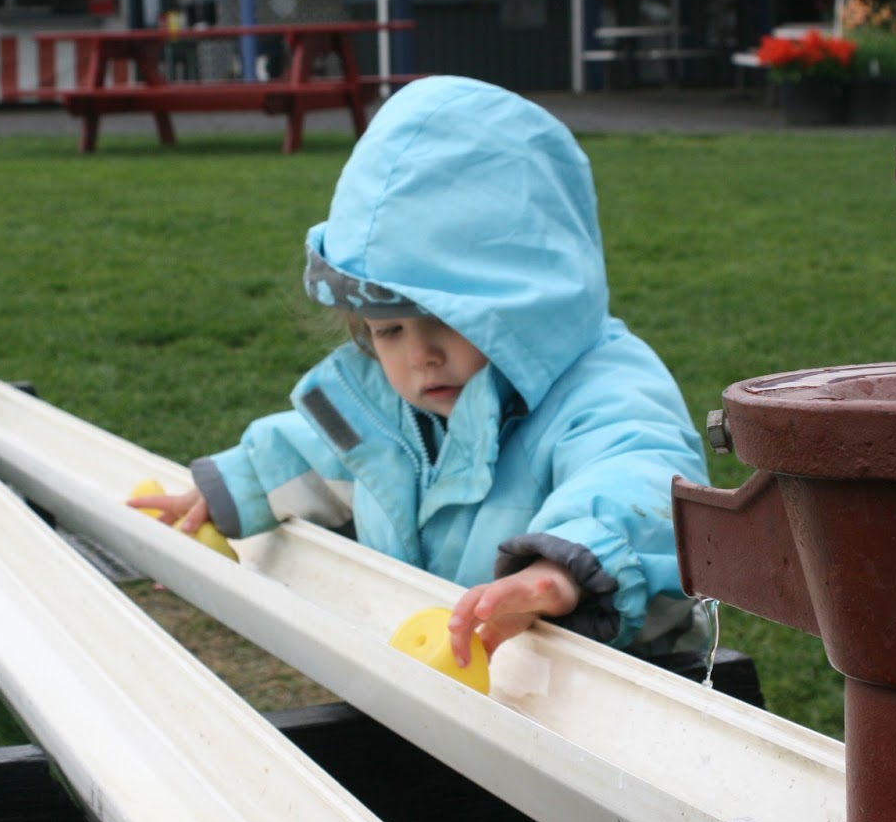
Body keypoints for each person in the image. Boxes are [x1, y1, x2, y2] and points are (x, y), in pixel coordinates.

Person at [131, 75, 711, 668]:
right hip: (460, 672)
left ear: (527, 304)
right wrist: (228, 489)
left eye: (449, 321)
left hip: (618, 696)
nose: (419, 356)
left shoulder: (602, 388)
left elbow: (638, 471)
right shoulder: (389, 399)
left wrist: (562, 571)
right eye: (388, 330)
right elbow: (328, 456)